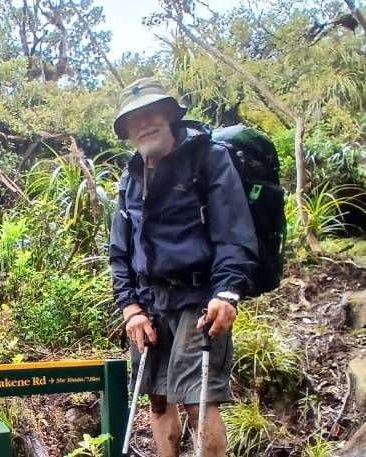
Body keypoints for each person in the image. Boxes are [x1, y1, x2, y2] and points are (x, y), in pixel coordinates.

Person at [109, 78, 258, 456]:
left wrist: (227, 293)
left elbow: (234, 230)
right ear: (126, 130)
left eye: (151, 112)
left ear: (171, 115)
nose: (143, 123)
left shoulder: (206, 158)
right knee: (157, 399)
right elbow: (119, 251)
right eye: (133, 119)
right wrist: (130, 309)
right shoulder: (131, 178)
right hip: (149, 304)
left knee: (198, 399)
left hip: (199, 298)